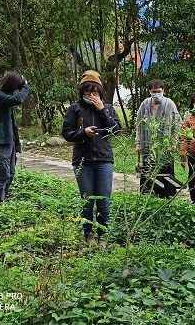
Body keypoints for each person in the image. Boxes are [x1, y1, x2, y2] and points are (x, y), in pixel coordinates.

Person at [62, 70, 121, 243]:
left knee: (103, 200)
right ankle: (88, 234)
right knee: (87, 201)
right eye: (87, 92)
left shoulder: (108, 108)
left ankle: (103, 235)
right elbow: (66, 133)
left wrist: (102, 110)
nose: (91, 95)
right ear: (82, 92)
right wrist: (83, 133)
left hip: (104, 160)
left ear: (100, 92)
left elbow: (115, 129)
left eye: (95, 92)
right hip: (82, 161)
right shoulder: (75, 109)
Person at [0, 71, 30, 202]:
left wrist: (16, 143)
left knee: (10, 173)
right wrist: (26, 86)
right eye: (17, 87)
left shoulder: (5, 96)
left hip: (9, 141)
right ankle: (0, 200)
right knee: (2, 173)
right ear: (11, 85)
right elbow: (18, 99)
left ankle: (5, 197)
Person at [135, 79, 181, 197]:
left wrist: (174, 143)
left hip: (165, 148)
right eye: (154, 91)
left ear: (163, 91)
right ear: (150, 91)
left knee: (165, 174)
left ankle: (167, 198)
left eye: (159, 91)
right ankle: (148, 197)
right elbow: (138, 124)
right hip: (148, 147)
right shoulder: (144, 104)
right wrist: (138, 143)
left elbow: (177, 124)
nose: (156, 94)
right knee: (148, 175)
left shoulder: (169, 104)